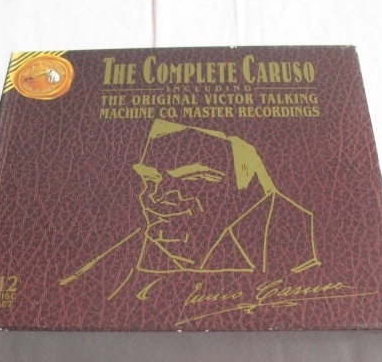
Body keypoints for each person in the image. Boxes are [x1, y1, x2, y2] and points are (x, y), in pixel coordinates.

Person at [60, 119, 320, 300]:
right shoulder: (95, 281)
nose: (158, 196)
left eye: (194, 179)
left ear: (248, 194)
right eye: (150, 180)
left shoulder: (290, 267)